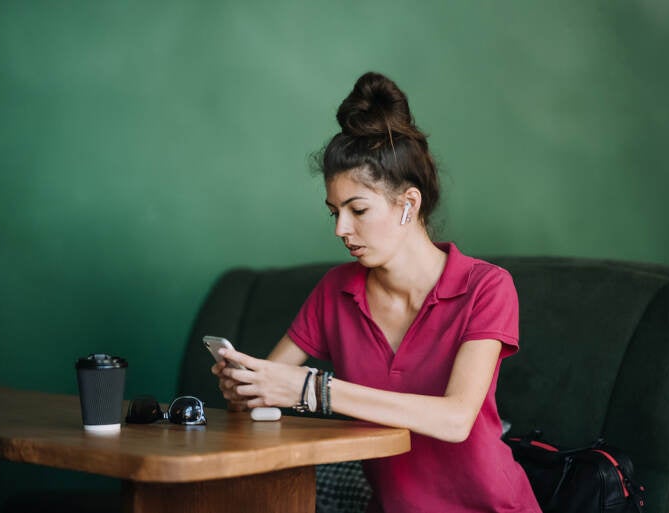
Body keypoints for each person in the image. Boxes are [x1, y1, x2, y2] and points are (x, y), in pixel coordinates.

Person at [212, 72, 541, 513]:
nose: (341, 229)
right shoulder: (336, 290)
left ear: (409, 204)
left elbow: (455, 419)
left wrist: (314, 391)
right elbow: (271, 384)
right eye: (334, 213)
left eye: (358, 210)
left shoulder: (485, 287)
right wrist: (246, 387)